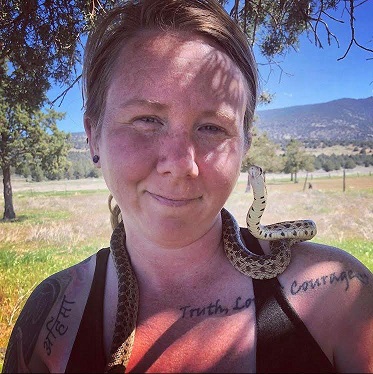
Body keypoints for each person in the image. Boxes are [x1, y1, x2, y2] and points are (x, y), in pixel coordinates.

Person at [3, 0, 373, 372]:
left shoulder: (340, 296)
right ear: (93, 137)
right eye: (146, 119)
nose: (181, 165)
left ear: (244, 145)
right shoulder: (49, 316)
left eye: (212, 127)